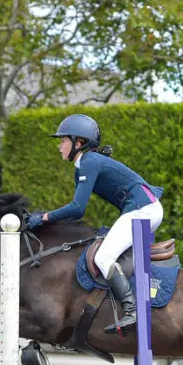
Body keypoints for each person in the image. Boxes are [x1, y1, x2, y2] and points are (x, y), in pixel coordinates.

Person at [26, 114, 164, 335]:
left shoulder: (89, 162)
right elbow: (76, 210)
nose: (59, 146)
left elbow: (77, 209)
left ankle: (132, 309)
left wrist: (43, 217)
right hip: (145, 209)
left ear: (78, 143)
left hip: (143, 209)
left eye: (63, 141)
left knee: (102, 257)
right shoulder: (86, 163)